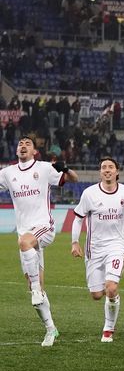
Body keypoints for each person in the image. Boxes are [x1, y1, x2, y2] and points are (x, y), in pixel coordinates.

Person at [0, 136, 77, 346]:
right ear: (16, 150)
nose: (22, 146)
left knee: (24, 243)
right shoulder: (8, 173)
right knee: (37, 290)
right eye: (20, 144)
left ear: (35, 151)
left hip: (44, 226)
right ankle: (51, 329)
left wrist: (66, 168)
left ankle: (35, 288)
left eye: (27, 144)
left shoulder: (44, 168)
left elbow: (73, 179)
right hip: (26, 234)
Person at [70, 157, 124, 342]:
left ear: (117, 172)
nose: (107, 170)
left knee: (110, 288)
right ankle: (111, 298)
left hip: (117, 246)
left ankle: (108, 329)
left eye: (111, 167)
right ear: (100, 172)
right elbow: (78, 218)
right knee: (96, 295)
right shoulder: (89, 193)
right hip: (94, 249)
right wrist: (74, 242)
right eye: (104, 167)